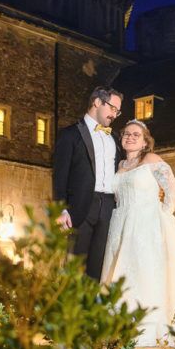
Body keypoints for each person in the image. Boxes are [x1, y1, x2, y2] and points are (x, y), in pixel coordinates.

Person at [101, 119, 175, 347]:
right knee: (119, 271)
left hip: (145, 224)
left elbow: (171, 187)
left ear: (145, 142)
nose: (130, 137)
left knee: (144, 271)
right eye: (127, 134)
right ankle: (119, 324)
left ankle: (148, 326)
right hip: (120, 223)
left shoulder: (151, 160)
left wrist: (163, 213)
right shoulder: (120, 165)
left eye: (136, 134)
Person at [52, 86, 123, 280]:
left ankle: (92, 309)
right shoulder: (69, 135)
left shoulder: (115, 139)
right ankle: (74, 310)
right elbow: (60, 175)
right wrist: (60, 209)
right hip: (81, 206)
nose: (114, 115)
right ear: (97, 102)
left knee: (98, 268)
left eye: (118, 111)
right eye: (112, 108)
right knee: (75, 267)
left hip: (108, 207)